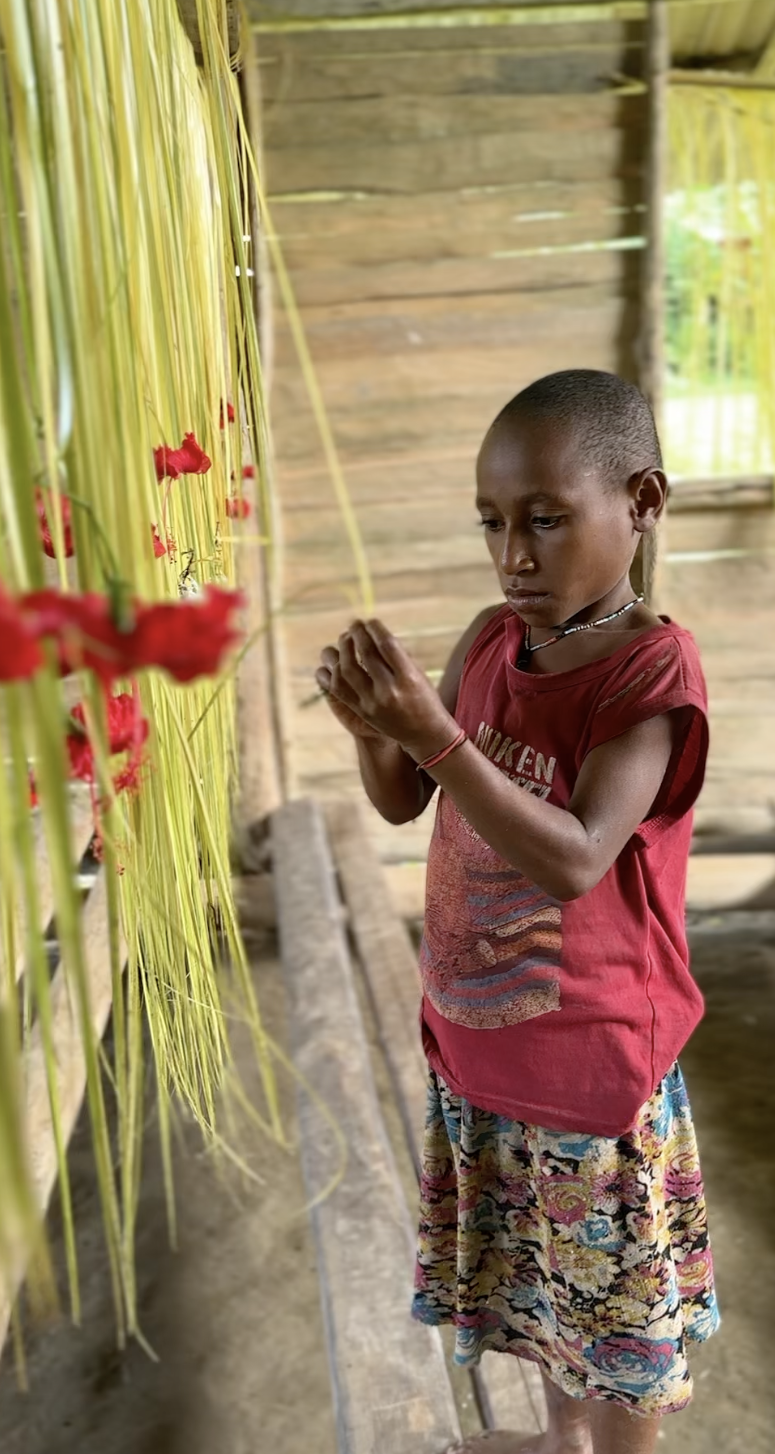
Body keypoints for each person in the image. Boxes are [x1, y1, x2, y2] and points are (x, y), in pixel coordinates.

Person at [314, 370, 719, 1454]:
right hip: (483, 1050)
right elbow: (406, 796)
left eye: (545, 519)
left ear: (641, 501)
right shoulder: (494, 638)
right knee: (544, 1291)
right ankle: (557, 1444)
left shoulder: (646, 675)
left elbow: (577, 858)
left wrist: (429, 730)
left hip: (588, 1070)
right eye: (493, 523)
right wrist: (372, 723)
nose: (513, 556)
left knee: (619, 1323)